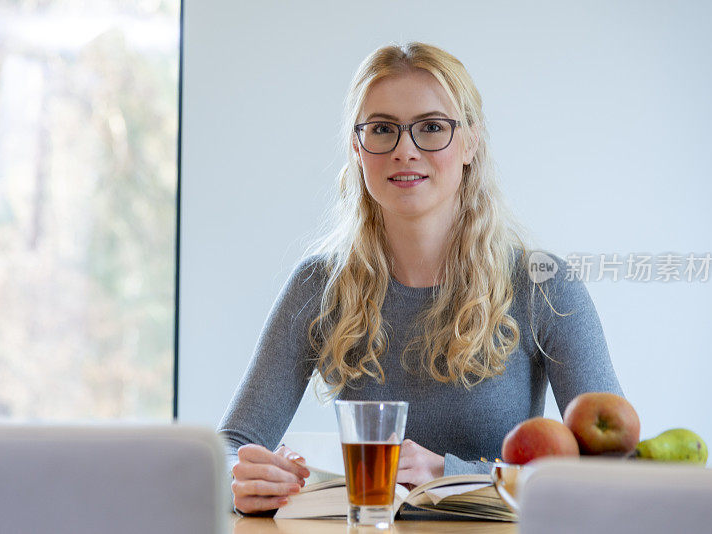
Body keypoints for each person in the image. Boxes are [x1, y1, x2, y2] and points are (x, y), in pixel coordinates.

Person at [219, 42, 623, 515]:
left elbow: (612, 467)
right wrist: (244, 477)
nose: (404, 150)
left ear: (471, 141)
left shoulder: (544, 286)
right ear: (357, 146)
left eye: (432, 128)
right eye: (383, 129)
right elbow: (233, 444)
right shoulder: (318, 285)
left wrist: (447, 473)